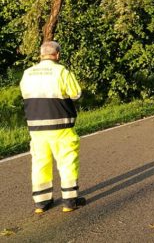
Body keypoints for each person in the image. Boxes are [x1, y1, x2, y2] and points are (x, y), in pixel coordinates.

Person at [20, 41, 86, 213]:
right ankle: (70, 201)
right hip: (61, 126)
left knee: (40, 163)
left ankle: (42, 203)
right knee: (67, 162)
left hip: (36, 128)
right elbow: (76, 94)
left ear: (41, 55)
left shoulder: (27, 73)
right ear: (57, 54)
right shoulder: (61, 71)